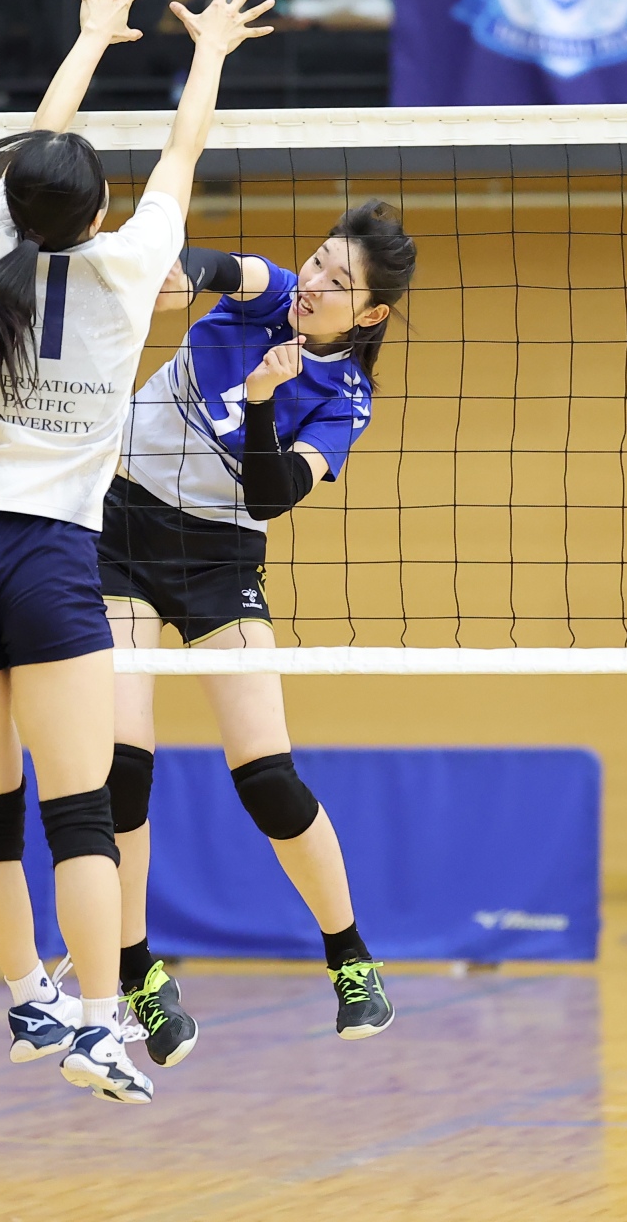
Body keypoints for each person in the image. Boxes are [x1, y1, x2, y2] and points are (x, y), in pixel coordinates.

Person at [0, 0, 271, 1105]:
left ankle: (29, 994)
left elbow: (39, 142)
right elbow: (182, 150)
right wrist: (207, 51)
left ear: (16, 200)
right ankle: (102, 1025)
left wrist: (89, 38)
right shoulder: (130, 268)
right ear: (99, 208)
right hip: (52, 559)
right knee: (82, 814)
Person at [103, 203, 419, 1066]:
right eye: (319, 261)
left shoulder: (345, 400)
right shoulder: (275, 292)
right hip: (119, 529)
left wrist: (263, 402)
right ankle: (138, 974)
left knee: (267, 777)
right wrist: (179, 275)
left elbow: (272, 496)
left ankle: (350, 959)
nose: (314, 281)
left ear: (371, 315)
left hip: (220, 555)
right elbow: (219, 266)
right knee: (121, 771)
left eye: (339, 281)